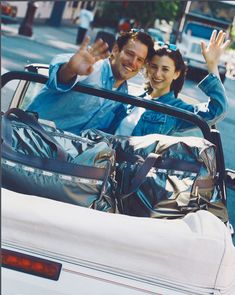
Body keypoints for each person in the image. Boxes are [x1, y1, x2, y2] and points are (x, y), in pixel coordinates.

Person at [26, 30, 154, 135]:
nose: (133, 62)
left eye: (139, 60)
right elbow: (61, 77)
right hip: (31, 135)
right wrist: (70, 69)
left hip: (66, 159)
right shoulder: (92, 67)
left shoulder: (124, 98)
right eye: (130, 54)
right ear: (115, 50)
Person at [115, 30, 230, 136]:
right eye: (154, 67)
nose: (157, 74)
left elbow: (217, 110)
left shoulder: (176, 109)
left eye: (165, 69)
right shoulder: (134, 96)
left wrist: (212, 65)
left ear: (176, 73)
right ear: (148, 67)